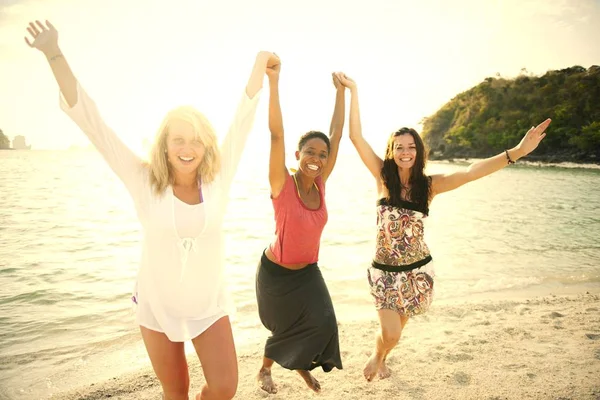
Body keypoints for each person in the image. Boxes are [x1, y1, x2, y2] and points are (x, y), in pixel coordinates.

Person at [25, 19, 279, 400]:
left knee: (224, 388)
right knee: (175, 391)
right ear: (165, 144)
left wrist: (260, 65)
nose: (187, 147)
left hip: (207, 304)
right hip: (157, 304)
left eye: (195, 140)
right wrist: (54, 54)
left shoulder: (217, 178)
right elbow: (93, 123)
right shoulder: (143, 180)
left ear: (206, 145)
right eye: (179, 139)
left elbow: (242, 121)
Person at [338, 74, 551, 382]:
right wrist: (353, 91)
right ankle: (378, 353)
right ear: (391, 150)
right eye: (399, 147)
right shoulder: (382, 178)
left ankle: (381, 356)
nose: (406, 152)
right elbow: (356, 137)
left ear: (418, 150)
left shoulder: (429, 186)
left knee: (394, 336)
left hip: (416, 272)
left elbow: (470, 172)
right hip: (384, 272)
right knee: (391, 331)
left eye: (411, 147)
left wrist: (515, 152)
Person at [254, 60, 346, 394]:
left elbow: (336, 134)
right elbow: (276, 133)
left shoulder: (321, 183)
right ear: (298, 153)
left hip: (307, 272)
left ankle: (300, 368)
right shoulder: (282, 183)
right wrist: (274, 82)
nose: (317, 158)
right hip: (276, 274)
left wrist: (341, 93)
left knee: (323, 323)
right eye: (310, 151)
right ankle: (265, 370)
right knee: (284, 330)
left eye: (322, 154)